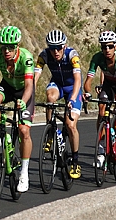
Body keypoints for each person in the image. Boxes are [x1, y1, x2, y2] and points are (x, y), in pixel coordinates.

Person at [0, 25, 34, 193]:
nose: (6, 51)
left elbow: (30, 85)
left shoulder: (26, 58)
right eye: (3, 47)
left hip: (24, 90)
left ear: (17, 46)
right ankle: (0, 136)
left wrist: (23, 101)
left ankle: (24, 173)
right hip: (7, 87)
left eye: (10, 47)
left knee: (24, 130)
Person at [33, 29, 83, 178]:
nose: (55, 51)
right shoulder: (44, 55)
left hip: (72, 88)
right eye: (52, 48)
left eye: (59, 47)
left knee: (70, 125)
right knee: (50, 97)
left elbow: (78, 80)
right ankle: (50, 131)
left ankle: (75, 161)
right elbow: (35, 77)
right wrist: (30, 96)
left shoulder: (72, 55)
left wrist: (73, 99)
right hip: (57, 85)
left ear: (64, 46)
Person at [84, 30, 116, 164]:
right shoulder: (97, 58)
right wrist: (87, 93)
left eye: (110, 46)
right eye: (104, 46)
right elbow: (88, 80)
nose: (107, 49)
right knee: (101, 111)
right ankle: (101, 149)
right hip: (108, 85)